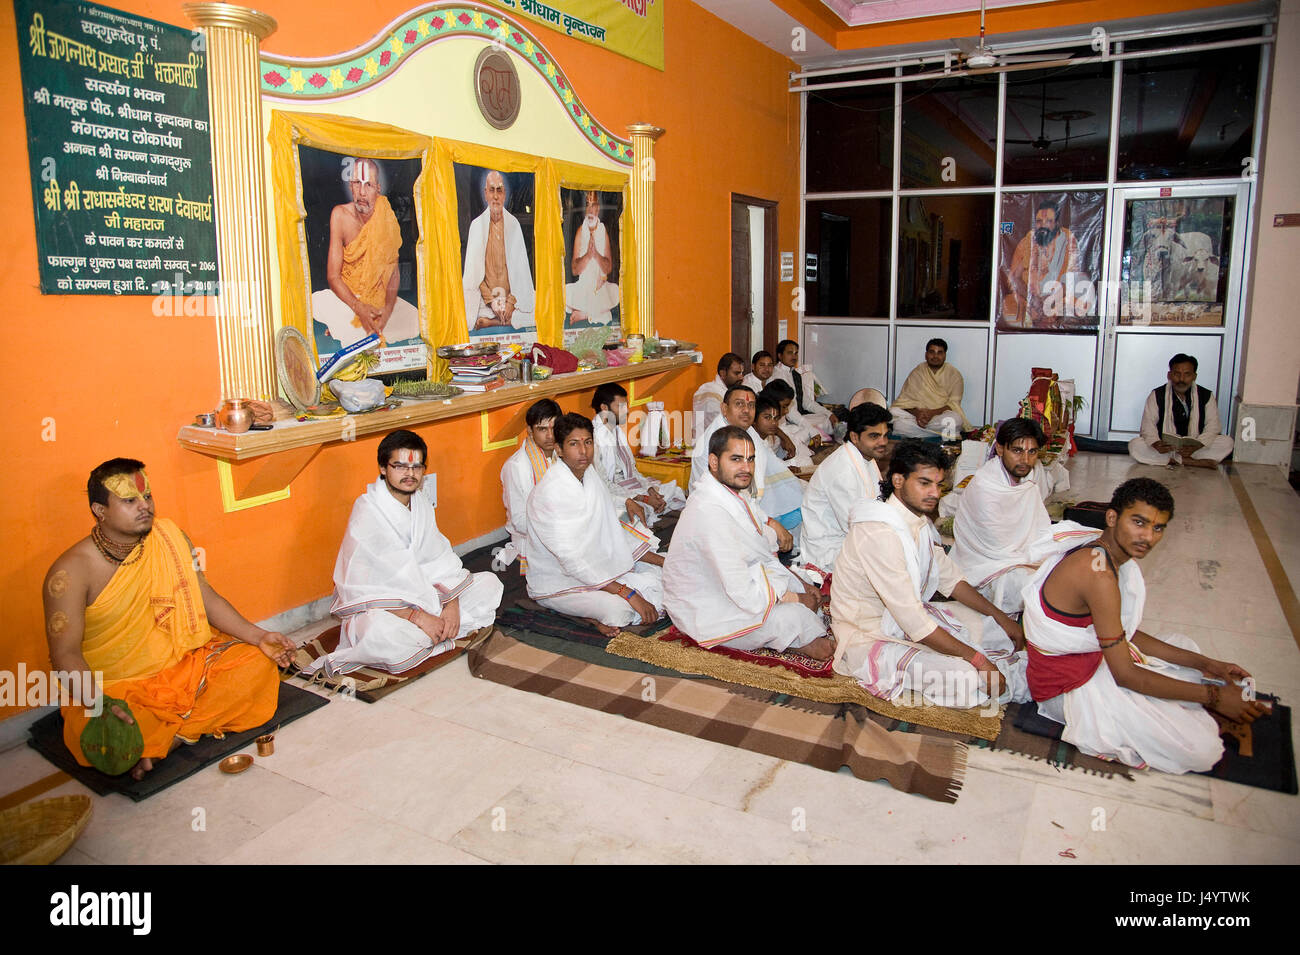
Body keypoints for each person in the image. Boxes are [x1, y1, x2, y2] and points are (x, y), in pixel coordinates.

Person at [43, 459, 294, 780]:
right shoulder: (70, 572)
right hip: (120, 688)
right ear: (99, 510)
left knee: (254, 663)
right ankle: (180, 727)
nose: (144, 506)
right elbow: (64, 653)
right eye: (129, 501)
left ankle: (171, 739)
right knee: (111, 730)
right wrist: (100, 705)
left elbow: (208, 598)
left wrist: (259, 636)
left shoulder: (169, 536)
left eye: (147, 496)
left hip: (185, 667)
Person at [1022, 478, 1267, 772]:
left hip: (1098, 659)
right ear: (1112, 518)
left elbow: (1124, 632)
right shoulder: (1097, 573)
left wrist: (1207, 663)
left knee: (1184, 651)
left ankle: (1194, 696)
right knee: (1202, 750)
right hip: (1067, 688)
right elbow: (1126, 675)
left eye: (1158, 527)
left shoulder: (1106, 552)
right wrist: (1213, 697)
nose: (1148, 536)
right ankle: (1201, 704)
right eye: (1139, 522)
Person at [830, 442, 1030, 707]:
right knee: (967, 677)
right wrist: (978, 660)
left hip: (906, 622)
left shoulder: (917, 523)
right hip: (869, 638)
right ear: (898, 480)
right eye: (925, 483)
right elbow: (914, 622)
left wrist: (1002, 617)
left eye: (939, 485)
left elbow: (952, 580)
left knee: (997, 631)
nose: (934, 494)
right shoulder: (879, 532)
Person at [305, 430, 504, 677]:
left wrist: (451, 604)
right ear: (382, 468)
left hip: (430, 597)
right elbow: (365, 587)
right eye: (400, 466)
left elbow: (439, 558)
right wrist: (417, 617)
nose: (410, 474)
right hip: (388, 610)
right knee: (382, 635)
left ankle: (436, 633)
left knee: (490, 583)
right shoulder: (368, 511)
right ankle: (436, 633)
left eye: (416, 467)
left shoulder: (419, 502)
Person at [664, 427, 834, 660]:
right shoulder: (708, 510)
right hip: (706, 607)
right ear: (713, 462)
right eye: (736, 459)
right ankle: (790, 637)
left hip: (739, 585)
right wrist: (793, 597)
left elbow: (760, 554)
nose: (746, 468)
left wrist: (797, 587)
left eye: (750, 459)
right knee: (797, 619)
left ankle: (789, 621)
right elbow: (743, 593)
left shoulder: (732, 493)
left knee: (802, 583)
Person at [526, 413, 666, 636]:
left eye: (588, 442)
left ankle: (618, 591)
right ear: (559, 450)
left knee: (669, 572)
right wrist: (628, 593)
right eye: (574, 444)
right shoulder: (549, 493)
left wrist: (661, 562)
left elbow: (612, 530)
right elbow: (571, 559)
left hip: (598, 567)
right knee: (620, 610)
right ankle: (588, 618)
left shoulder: (588, 475)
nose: (583, 451)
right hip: (559, 580)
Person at [950, 417, 1053, 622]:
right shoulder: (985, 487)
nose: (1025, 459)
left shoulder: (1029, 482)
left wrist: (1047, 553)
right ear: (999, 449)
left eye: (1032, 452)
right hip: (987, 568)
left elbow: (1041, 528)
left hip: (1022, 558)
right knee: (1038, 584)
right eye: (1017, 450)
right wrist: (1035, 560)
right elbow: (997, 548)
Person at [311, 157, 420, 348]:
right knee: (316, 301)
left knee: (417, 322)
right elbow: (333, 276)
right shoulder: (340, 215)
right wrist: (358, 307)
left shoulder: (386, 216)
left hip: (377, 299)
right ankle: (346, 322)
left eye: (368, 184)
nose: (362, 192)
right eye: (357, 183)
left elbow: (393, 274)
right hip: (346, 297)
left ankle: (345, 325)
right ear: (351, 186)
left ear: (378, 189)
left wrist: (385, 312)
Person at [690, 386, 795, 553]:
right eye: (739, 404)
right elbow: (726, 499)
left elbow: (769, 463)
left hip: (748, 505)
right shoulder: (713, 443)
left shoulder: (747, 432)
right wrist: (768, 521)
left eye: (751, 405)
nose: (746, 410)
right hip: (720, 517)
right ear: (724, 408)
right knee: (770, 539)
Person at [800, 402, 892, 573]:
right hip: (830, 551)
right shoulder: (842, 470)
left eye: (885, 435)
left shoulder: (865, 457)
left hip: (854, 537)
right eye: (874, 436)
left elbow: (878, 503)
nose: (883, 442)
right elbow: (857, 528)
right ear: (855, 437)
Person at [591, 383, 685, 526]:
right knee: (633, 512)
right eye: (621, 407)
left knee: (675, 491)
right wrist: (644, 498)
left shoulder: (617, 431)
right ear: (604, 408)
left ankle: (656, 509)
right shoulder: (594, 438)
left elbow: (633, 470)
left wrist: (650, 490)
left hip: (631, 487)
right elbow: (604, 484)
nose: (627, 411)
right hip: (614, 493)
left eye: (626, 406)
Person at [1129, 354, 1233, 468]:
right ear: (1169, 375)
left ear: (1194, 376)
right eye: (1177, 374)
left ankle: (1173, 460)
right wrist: (1156, 443)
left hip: (1194, 448)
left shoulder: (1206, 395)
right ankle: (1191, 462)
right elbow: (1148, 425)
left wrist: (1196, 446)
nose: (1181, 379)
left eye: (1187, 374)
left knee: (1227, 442)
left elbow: (1213, 426)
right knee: (1135, 445)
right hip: (1166, 448)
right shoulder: (1157, 394)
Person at [462, 170, 536, 332]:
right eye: (492, 190)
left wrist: (511, 302)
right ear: (485, 194)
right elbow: (474, 277)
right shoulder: (476, 226)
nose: (495, 196)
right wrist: (492, 301)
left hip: (511, 298)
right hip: (486, 301)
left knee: (540, 309)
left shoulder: (514, 224)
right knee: (462, 311)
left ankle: (490, 322)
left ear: (504, 194)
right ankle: (499, 318)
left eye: (499, 190)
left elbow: (520, 272)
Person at [499, 399, 562, 572]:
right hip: (531, 540)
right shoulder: (516, 466)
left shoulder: (562, 455)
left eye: (554, 428)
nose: (550, 435)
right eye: (542, 429)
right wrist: (564, 525)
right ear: (530, 431)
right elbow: (519, 521)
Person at [1001, 197, 1081, 328]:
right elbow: (1013, 277)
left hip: (1058, 302)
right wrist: (1032, 299)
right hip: (1030, 302)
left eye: (1048, 221)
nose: (1043, 225)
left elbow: (1071, 278)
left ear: (1057, 223)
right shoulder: (1028, 241)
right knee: (1009, 308)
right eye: (1039, 221)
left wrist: (1051, 302)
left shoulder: (1067, 240)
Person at [889, 338, 970, 439]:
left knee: (955, 419)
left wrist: (931, 413)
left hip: (939, 416)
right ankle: (943, 433)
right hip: (917, 417)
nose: (935, 356)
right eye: (932, 352)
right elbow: (904, 401)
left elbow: (953, 404)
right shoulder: (918, 372)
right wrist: (917, 413)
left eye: (939, 352)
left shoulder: (954, 375)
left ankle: (920, 433)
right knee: (893, 412)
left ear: (945, 355)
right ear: (926, 354)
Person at [564, 190, 620, 326]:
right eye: (587, 205)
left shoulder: (602, 230)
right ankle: (592, 313)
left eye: (593, 205)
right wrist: (588, 256)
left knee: (616, 292)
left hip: (600, 288)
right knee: (562, 293)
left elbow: (608, 267)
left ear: (598, 208)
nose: (590, 210)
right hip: (583, 288)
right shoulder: (580, 232)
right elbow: (575, 270)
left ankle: (584, 314)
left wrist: (596, 255)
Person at [771, 339, 836, 439]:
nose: (794, 357)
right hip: (785, 422)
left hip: (798, 417)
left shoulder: (795, 374)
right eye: (789, 353)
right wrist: (808, 427)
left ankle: (818, 434)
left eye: (796, 353)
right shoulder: (776, 376)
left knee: (825, 418)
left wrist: (829, 413)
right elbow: (789, 413)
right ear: (780, 356)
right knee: (806, 430)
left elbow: (806, 402)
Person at [759, 379, 820, 457]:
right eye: (784, 407)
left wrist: (785, 438)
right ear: (773, 403)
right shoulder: (762, 429)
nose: (787, 411)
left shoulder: (773, 427)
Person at [692, 353, 745, 442]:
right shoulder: (709, 391)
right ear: (723, 373)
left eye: (742, 373)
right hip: (706, 445)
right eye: (737, 373)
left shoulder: (730, 391)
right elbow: (721, 424)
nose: (741, 377)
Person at [754, 393, 810, 469]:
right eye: (767, 418)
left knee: (805, 461)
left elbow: (772, 461)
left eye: (776, 418)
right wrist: (785, 468)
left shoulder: (764, 439)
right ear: (753, 419)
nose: (773, 423)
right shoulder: (752, 440)